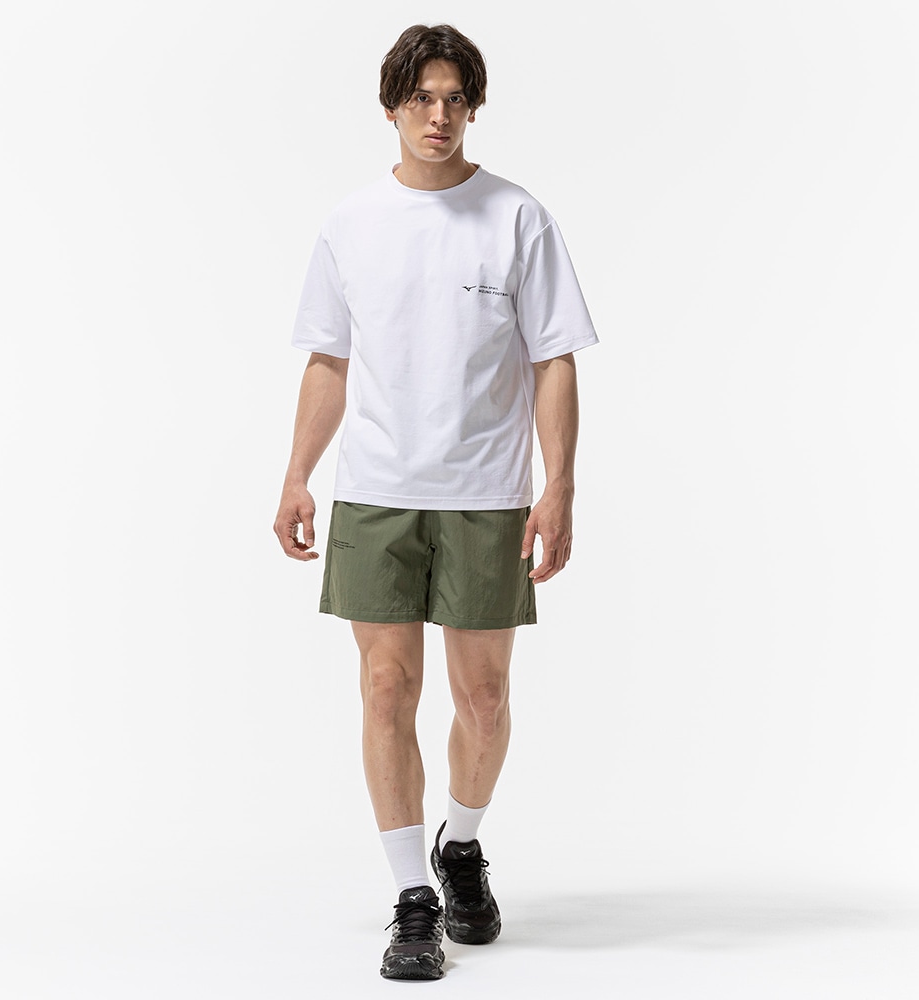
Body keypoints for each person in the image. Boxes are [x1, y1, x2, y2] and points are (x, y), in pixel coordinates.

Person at [274, 23, 598, 982]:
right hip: (376, 490)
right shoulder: (351, 223)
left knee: (484, 700)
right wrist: (296, 474)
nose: (439, 116)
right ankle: (414, 896)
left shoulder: (517, 217)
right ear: (392, 107)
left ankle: (461, 843)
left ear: (474, 108)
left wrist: (559, 486)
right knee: (386, 689)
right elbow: (329, 360)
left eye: (456, 99)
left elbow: (554, 359)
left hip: (487, 494)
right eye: (422, 98)